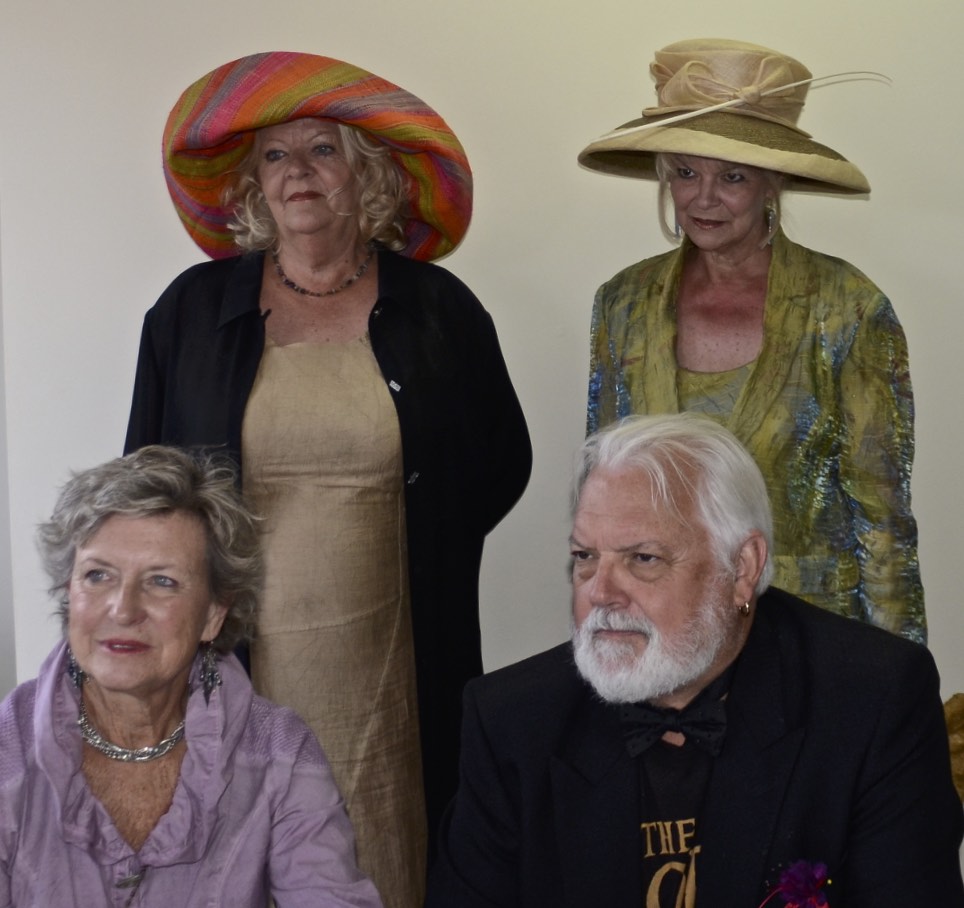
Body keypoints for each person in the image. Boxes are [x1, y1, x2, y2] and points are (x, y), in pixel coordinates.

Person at [124, 52, 531, 905]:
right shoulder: (191, 312)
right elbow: (147, 483)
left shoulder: (439, 309)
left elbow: (499, 462)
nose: (297, 173)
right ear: (254, 184)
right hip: (234, 654)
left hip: (392, 655)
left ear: (366, 174)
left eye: (323, 151)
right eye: (275, 155)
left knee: (387, 844)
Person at [425, 413, 964, 907]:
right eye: (585, 557)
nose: (599, 593)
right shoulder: (512, 721)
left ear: (742, 568)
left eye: (643, 558)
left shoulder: (871, 699)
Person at [580, 38, 923, 642]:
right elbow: (607, 494)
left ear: (774, 183)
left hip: (809, 635)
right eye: (686, 172)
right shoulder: (623, 304)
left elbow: (883, 521)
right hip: (663, 634)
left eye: (732, 177)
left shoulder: (847, 308)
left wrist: (901, 671)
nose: (703, 198)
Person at [0, 445, 382, 907]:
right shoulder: (8, 749)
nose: (123, 610)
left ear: (214, 615)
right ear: (69, 593)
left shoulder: (279, 752)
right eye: (98, 575)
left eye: (162, 581)